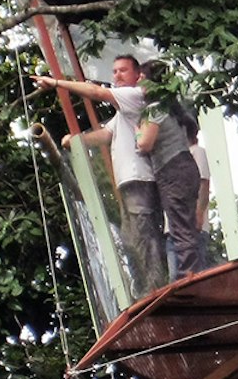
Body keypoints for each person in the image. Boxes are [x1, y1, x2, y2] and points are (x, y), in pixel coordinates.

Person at [35, 56, 168, 294]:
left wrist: (57, 83)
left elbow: (96, 92)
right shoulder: (124, 112)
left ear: (137, 75)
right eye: (114, 71)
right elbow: (107, 135)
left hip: (140, 179)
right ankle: (144, 290)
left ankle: (155, 290)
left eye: (122, 71)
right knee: (130, 239)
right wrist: (77, 141)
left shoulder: (135, 95)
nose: (116, 75)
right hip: (129, 182)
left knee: (144, 238)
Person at [138, 59, 212, 277]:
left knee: (180, 226)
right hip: (184, 167)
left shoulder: (154, 109)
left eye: (142, 78)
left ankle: (189, 276)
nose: (139, 82)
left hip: (172, 169)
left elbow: (145, 143)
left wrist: (137, 130)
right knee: (184, 225)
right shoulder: (171, 108)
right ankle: (191, 272)